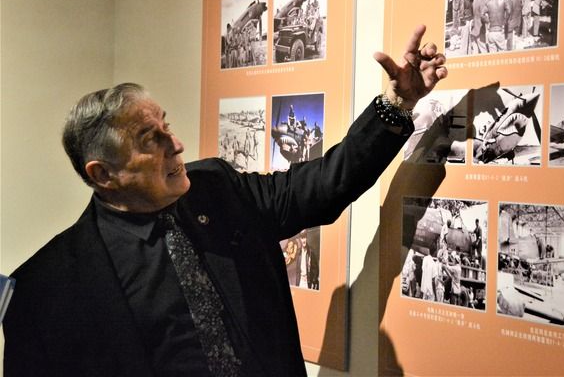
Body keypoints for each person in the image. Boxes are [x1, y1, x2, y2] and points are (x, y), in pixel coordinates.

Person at [3, 25, 448, 376]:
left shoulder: (217, 189)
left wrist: (396, 103)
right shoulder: (46, 289)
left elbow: (323, 185)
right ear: (103, 175)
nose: (176, 145)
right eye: (150, 139)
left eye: (166, 126)